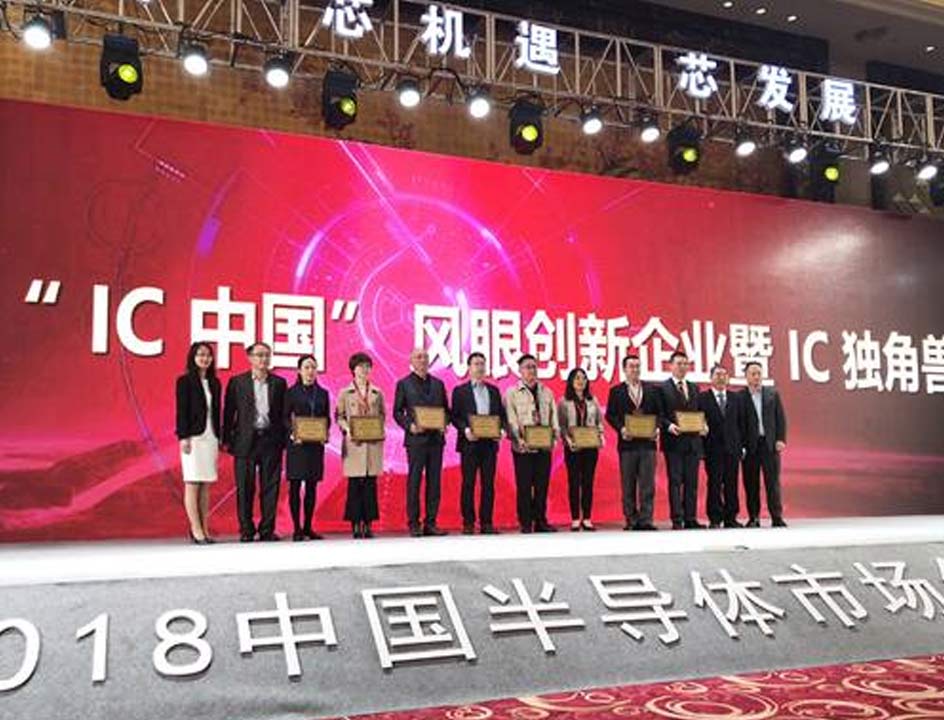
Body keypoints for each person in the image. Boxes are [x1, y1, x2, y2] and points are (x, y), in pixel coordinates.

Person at [222, 342, 288, 542]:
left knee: (271, 487)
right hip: (245, 441)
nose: (264, 359)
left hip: (271, 440)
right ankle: (246, 530)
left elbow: (284, 415)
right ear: (250, 358)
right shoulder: (237, 382)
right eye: (259, 355)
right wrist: (226, 440)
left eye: (267, 355)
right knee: (245, 487)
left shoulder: (279, 383)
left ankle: (267, 530)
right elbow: (229, 413)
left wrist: (285, 439)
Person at [394, 348, 450, 537]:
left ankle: (431, 523)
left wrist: (444, 423)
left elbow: (446, 410)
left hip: (436, 440)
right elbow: (397, 412)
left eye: (426, 357)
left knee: (435, 482)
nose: (423, 360)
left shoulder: (438, 384)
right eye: (419, 357)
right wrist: (409, 426)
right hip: (416, 440)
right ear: (411, 361)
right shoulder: (404, 384)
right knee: (415, 482)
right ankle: (414, 523)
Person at [450, 352, 506, 535]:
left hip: (489, 445)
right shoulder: (460, 391)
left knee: (488, 484)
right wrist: (465, 430)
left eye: (482, 364)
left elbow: (501, 416)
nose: (480, 367)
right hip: (470, 444)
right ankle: (468, 522)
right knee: (468, 483)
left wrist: (502, 431)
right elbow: (454, 417)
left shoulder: (494, 391)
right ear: (469, 367)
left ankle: (486, 522)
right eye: (476, 364)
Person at [605, 354, 662, 531]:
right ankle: (631, 519)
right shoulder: (616, 391)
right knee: (628, 484)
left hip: (648, 444)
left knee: (647, 484)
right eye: (631, 366)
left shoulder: (652, 390)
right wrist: (621, 429)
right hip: (627, 445)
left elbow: (660, 414)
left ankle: (646, 519)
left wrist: (657, 428)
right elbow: (610, 415)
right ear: (624, 369)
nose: (635, 370)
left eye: (637, 366)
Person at [505, 354, 560, 533]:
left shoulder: (547, 392)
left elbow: (553, 417)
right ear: (520, 371)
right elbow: (511, 419)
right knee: (524, 485)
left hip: (544, 446)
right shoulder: (512, 393)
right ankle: (526, 522)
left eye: (534, 367)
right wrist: (518, 440)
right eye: (527, 367)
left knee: (542, 485)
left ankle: (541, 520)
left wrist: (554, 437)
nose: (531, 370)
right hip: (523, 448)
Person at [175, 341, 222, 544]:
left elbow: (217, 411)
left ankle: (204, 527)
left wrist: (220, 437)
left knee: (205, 484)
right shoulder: (184, 381)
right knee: (193, 482)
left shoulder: (215, 383)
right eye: (201, 355)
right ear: (193, 358)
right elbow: (181, 411)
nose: (205, 358)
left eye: (208, 355)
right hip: (193, 437)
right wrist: (183, 436)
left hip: (211, 436)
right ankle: (195, 528)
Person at [336, 352, 385, 539]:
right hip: (354, 444)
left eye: (367, 366)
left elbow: (382, 415)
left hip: (372, 444)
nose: (364, 370)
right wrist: (348, 429)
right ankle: (355, 524)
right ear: (353, 370)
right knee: (355, 485)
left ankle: (369, 523)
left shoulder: (377, 392)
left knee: (370, 485)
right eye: (360, 366)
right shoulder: (345, 393)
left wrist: (378, 429)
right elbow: (339, 416)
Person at [658, 350, 708, 530]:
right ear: (670, 366)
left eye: (685, 364)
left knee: (692, 482)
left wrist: (704, 425)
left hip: (693, 442)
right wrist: (669, 426)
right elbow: (659, 415)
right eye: (678, 363)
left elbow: (699, 412)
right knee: (675, 482)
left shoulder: (694, 388)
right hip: (674, 441)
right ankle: (677, 519)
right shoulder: (662, 389)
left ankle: (690, 518)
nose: (682, 367)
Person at [283, 355, 330, 542]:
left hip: (315, 446)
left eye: (313, 367)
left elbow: (327, 418)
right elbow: (284, 417)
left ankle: (308, 526)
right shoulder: (291, 392)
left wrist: (325, 432)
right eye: (306, 367)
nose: (310, 371)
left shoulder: (323, 393)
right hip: (297, 445)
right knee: (295, 486)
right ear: (299, 371)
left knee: (312, 487)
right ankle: (296, 528)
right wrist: (293, 432)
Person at [740, 361, 788, 528]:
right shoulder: (740, 397)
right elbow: (738, 424)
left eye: (759, 373)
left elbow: (780, 419)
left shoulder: (772, 394)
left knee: (772, 482)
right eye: (752, 373)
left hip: (769, 445)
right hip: (750, 447)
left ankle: (776, 516)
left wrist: (781, 439)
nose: (756, 377)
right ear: (746, 376)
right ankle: (754, 517)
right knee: (751, 483)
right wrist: (740, 446)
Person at [558, 368, 605, 531]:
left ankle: (587, 517)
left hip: (590, 447)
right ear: (571, 381)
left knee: (588, 482)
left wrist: (601, 436)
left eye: (584, 378)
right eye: (577, 378)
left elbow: (599, 422)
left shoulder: (592, 400)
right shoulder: (564, 401)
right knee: (574, 482)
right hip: (572, 448)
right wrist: (568, 440)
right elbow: (561, 425)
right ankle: (575, 518)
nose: (581, 381)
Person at [699, 364, 744, 529]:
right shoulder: (702, 398)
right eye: (717, 374)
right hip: (712, 448)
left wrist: (742, 446)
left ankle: (731, 517)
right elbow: (698, 421)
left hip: (733, 448)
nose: (721, 378)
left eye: (724, 374)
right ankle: (715, 518)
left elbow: (741, 424)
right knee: (714, 483)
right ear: (711, 378)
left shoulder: (735, 398)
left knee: (732, 483)